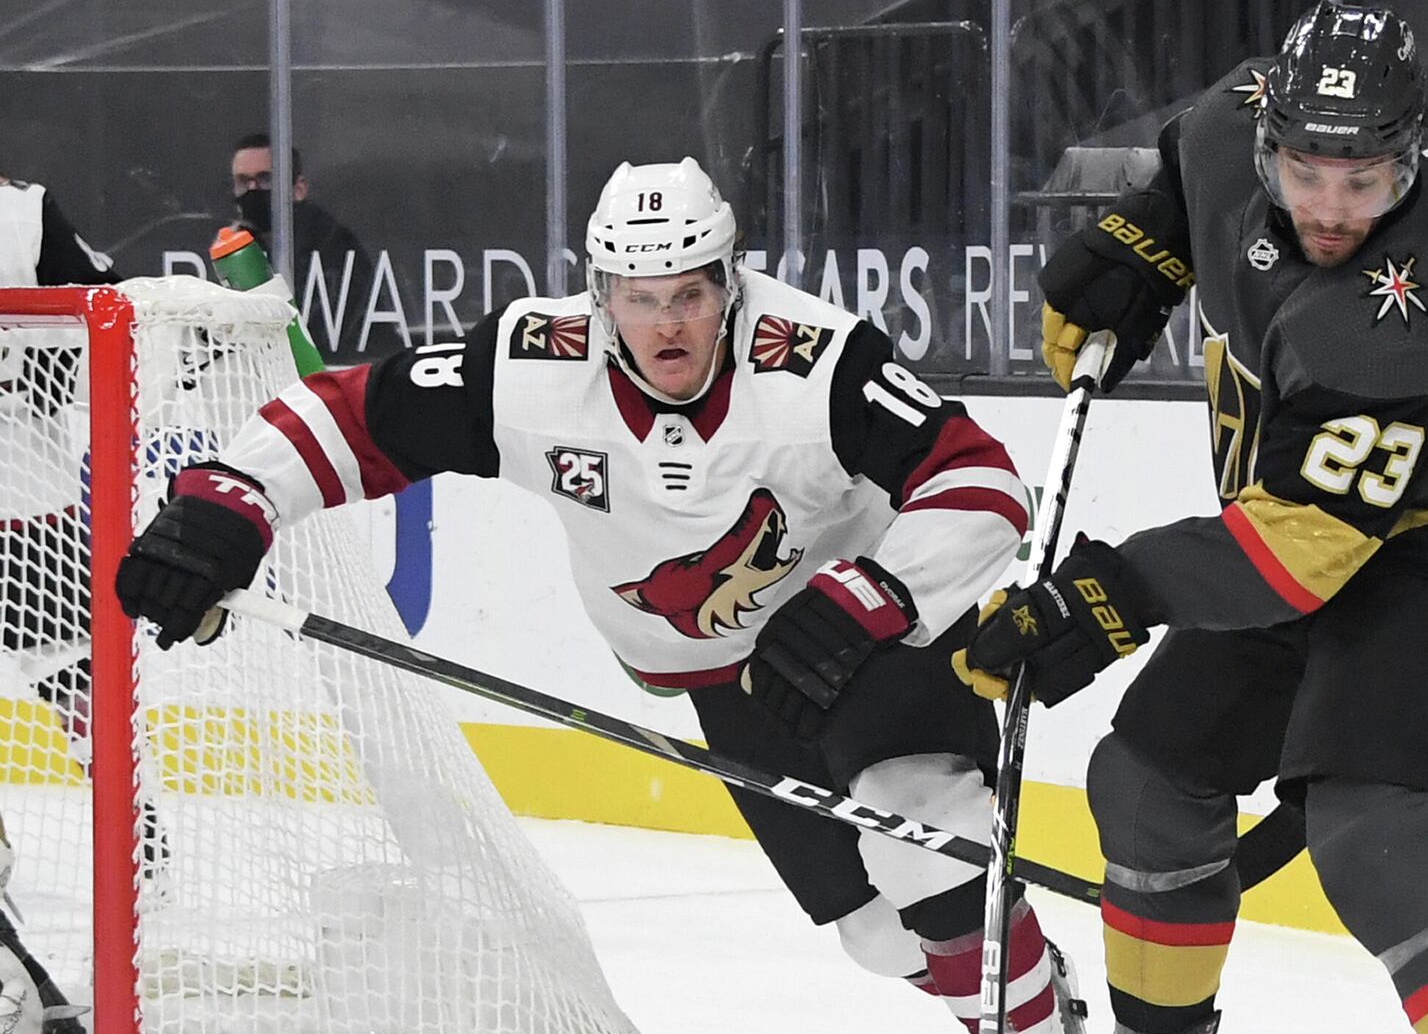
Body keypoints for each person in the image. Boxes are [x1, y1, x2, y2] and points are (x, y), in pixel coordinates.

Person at [115, 157, 1084, 1032]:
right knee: (877, 937)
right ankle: (1033, 974)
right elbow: (357, 416)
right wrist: (229, 501)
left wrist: (871, 593)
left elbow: (983, 481)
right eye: (639, 295)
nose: (667, 323)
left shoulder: (816, 364)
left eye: (693, 294)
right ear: (600, 292)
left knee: (925, 844)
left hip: (867, 640)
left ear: (731, 280)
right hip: (725, 678)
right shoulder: (535, 369)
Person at [954, 2, 1428, 1034]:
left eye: (1365, 181)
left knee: (1376, 839)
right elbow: (1196, 143)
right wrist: (1153, 230)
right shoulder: (1238, 125)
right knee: (1145, 786)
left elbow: (1299, 554)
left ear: (1411, 161)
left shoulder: (1391, 318)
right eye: (1306, 174)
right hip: (1292, 516)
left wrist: (1105, 597)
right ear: (1270, 136)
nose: (1330, 208)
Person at [0, 172, 118, 1034]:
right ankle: (115, 771)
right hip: (29, 501)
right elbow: (107, 312)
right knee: (71, 666)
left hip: (26, 501)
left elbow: (101, 314)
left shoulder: (24, 207)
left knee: (71, 662)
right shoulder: (24, 205)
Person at [228, 134, 376, 364]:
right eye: (243, 182)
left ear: (299, 188)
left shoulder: (333, 246)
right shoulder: (235, 247)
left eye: (265, 179)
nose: (252, 190)